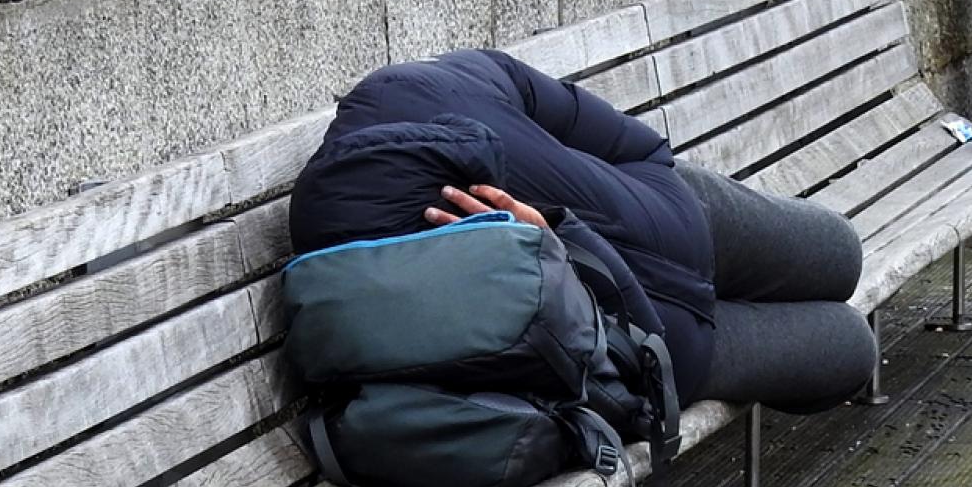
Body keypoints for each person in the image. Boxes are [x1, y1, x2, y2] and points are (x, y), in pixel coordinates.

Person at [287, 49, 879, 416]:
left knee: (840, 251)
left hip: (685, 220)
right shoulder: (379, 268)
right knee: (851, 346)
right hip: (662, 352)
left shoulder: (427, 88)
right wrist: (554, 245)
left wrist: (637, 182)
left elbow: (620, 136)